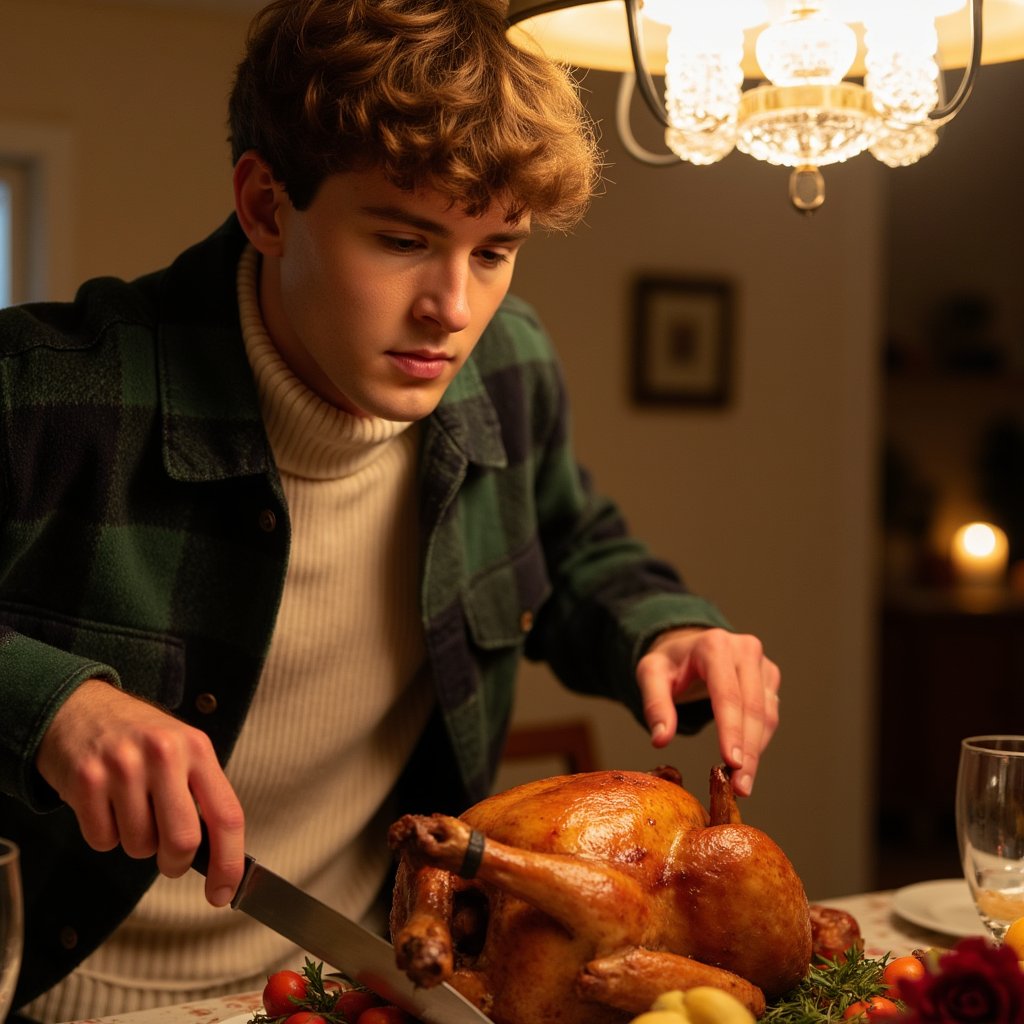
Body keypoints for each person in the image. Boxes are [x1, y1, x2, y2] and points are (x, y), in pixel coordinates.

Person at [0, 0, 780, 1020]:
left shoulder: (508, 366)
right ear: (267, 206)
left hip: (357, 990)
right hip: (48, 995)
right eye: (404, 240)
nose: (451, 308)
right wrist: (49, 701)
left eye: (494, 251)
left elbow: (574, 543)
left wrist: (667, 624)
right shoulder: (47, 389)